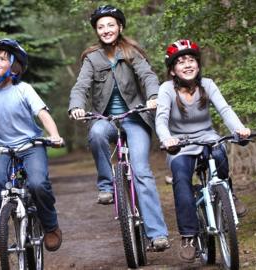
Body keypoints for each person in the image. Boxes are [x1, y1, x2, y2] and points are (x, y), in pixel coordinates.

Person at [68, 5, 170, 251]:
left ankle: (157, 233)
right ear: (96, 31)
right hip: (106, 120)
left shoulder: (131, 52)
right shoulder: (92, 58)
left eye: (110, 25)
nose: (106, 30)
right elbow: (81, 86)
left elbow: (147, 76)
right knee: (96, 133)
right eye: (101, 26)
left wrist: (154, 96)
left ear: (120, 27)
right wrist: (76, 106)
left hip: (134, 118)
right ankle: (106, 185)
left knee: (142, 171)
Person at [0, 39, 64, 252]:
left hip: (31, 145)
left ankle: (51, 226)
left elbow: (42, 114)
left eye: (2, 59)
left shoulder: (24, 90)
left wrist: (54, 135)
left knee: (37, 184)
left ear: (14, 67)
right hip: (2, 149)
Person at [155, 39, 251, 262]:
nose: (187, 65)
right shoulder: (166, 89)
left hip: (208, 138)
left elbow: (225, 109)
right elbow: (161, 120)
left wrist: (240, 129)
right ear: (172, 70)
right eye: (181, 62)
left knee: (219, 153)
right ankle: (188, 235)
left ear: (198, 65)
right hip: (180, 145)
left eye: (191, 60)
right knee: (180, 177)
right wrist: (167, 139)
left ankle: (228, 193)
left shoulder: (207, 84)